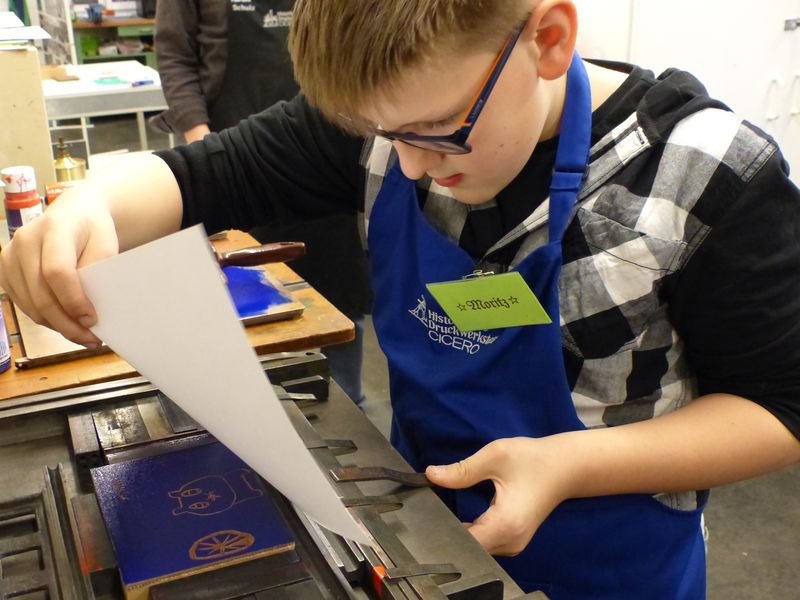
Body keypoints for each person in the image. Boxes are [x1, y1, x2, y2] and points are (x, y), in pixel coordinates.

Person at [2, 1, 799, 597]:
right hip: (426, 530)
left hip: (613, 563)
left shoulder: (700, 177)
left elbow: (781, 410)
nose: (411, 167)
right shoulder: (388, 116)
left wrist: (568, 464)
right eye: (387, 135)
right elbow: (200, 176)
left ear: (550, 39)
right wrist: (88, 211)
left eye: (437, 131)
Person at [149, 0, 372, 405]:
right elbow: (175, 54)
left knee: (338, 304)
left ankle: (348, 408)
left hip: (329, 150)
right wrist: (205, 150)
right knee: (247, 311)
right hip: (239, 161)